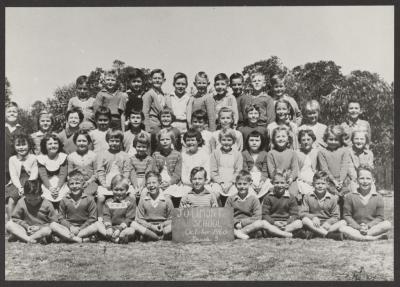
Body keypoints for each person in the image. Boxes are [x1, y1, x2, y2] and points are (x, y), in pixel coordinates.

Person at [339, 166, 391, 241]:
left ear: (373, 181)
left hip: (371, 228)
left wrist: (368, 226)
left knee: (387, 224)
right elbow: (347, 216)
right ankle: (372, 238)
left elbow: (380, 217)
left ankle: (359, 237)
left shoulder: (378, 197)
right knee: (342, 227)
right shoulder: (349, 196)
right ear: (357, 180)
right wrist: (358, 227)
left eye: (368, 178)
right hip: (355, 227)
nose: (365, 181)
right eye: (362, 178)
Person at [50, 170, 99, 243]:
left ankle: (67, 237)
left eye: (77, 183)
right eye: (71, 184)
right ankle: (80, 239)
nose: (74, 186)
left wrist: (80, 228)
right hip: (69, 228)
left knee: (96, 226)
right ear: (68, 185)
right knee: (53, 225)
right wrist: (71, 227)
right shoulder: (64, 199)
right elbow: (61, 218)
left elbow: (93, 218)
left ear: (83, 184)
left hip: (84, 228)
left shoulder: (89, 199)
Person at [96, 129, 133, 221]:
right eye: (112, 141)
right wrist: (104, 184)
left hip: (122, 182)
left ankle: (131, 217)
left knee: (132, 196)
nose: (114, 143)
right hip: (107, 183)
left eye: (117, 141)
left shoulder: (125, 155)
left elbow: (127, 170)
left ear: (121, 142)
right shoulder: (102, 154)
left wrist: (124, 182)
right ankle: (100, 218)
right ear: (107, 141)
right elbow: (100, 171)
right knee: (100, 198)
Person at [300, 171, 346, 239]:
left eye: (323, 183)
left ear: (327, 185)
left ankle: (317, 232)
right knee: (305, 220)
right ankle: (328, 235)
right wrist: (313, 217)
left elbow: (336, 216)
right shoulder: (308, 196)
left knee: (343, 222)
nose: (320, 186)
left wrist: (328, 222)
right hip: (313, 223)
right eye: (318, 183)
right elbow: (302, 213)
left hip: (327, 225)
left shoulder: (332, 198)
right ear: (313, 184)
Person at [131, 171, 174, 241]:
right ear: (146, 185)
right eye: (148, 183)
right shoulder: (143, 200)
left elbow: (171, 218)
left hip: (163, 228)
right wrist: (151, 226)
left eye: (154, 182)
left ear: (160, 184)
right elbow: (139, 219)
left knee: (176, 224)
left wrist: (163, 224)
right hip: (148, 228)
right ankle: (157, 237)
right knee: (133, 224)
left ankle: (153, 236)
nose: (151, 185)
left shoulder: (167, 200)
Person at [261, 170, 303, 238]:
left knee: (299, 223)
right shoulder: (268, 197)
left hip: (286, 223)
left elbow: (295, 214)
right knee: (263, 223)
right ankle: (285, 234)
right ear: (272, 183)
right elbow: (265, 214)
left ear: (286, 184)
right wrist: (274, 222)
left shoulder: (291, 197)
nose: (279, 185)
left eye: (282, 183)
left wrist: (287, 222)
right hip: (273, 223)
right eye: (277, 183)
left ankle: (275, 232)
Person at [6, 133, 38, 218]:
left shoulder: (33, 158)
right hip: (17, 183)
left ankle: (29, 219)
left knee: (28, 198)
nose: (21, 147)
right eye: (18, 145)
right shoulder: (12, 159)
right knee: (11, 199)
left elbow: (34, 174)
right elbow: (13, 175)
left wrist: (26, 187)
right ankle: (10, 221)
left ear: (29, 145)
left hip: (30, 182)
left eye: (24, 144)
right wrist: (20, 187)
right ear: (14, 146)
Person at [98, 175, 137, 243]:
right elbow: (106, 216)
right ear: (112, 189)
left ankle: (118, 237)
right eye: (116, 190)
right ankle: (116, 239)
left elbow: (129, 218)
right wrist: (109, 228)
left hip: (124, 227)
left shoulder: (129, 202)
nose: (118, 192)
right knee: (98, 225)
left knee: (132, 230)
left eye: (122, 190)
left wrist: (119, 229)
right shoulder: (108, 202)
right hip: (111, 227)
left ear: (126, 189)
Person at [210, 128, 243, 204]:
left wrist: (231, 183)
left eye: (229, 140)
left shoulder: (237, 154)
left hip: (232, 182)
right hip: (218, 182)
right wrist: (221, 183)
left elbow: (238, 171)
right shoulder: (215, 153)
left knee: (235, 194)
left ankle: (232, 213)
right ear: (220, 140)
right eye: (224, 140)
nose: (226, 142)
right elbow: (213, 171)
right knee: (214, 193)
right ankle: (218, 211)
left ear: (233, 141)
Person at [317, 125, 351, 197]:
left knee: (348, 197)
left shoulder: (344, 150)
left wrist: (341, 181)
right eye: (330, 139)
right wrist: (334, 181)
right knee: (333, 198)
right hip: (329, 181)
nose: (333, 142)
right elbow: (324, 169)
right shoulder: (322, 152)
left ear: (340, 140)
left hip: (343, 180)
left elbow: (344, 167)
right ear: (326, 139)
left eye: (336, 140)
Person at [267, 126, 300, 201]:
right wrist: (278, 180)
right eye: (278, 137)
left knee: (292, 193)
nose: (281, 139)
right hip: (276, 180)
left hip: (289, 180)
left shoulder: (292, 153)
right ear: (274, 140)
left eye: (283, 136)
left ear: (288, 139)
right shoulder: (271, 153)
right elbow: (271, 171)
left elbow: (295, 169)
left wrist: (291, 179)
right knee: (272, 193)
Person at [152, 129, 182, 204]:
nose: (165, 141)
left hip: (172, 182)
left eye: (167, 139)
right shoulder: (156, 155)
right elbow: (155, 171)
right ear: (159, 141)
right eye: (162, 139)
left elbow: (177, 174)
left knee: (167, 196)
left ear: (172, 140)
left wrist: (169, 183)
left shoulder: (177, 155)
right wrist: (159, 182)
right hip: (159, 181)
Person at [37, 133, 69, 204]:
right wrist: (50, 188)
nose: (53, 146)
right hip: (47, 184)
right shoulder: (41, 158)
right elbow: (43, 175)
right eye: (50, 144)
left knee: (63, 196)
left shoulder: (62, 157)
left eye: (55, 143)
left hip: (60, 184)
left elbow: (63, 174)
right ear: (45, 145)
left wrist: (58, 188)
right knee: (46, 197)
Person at [179, 129, 212, 197]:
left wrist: (200, 183)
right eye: (188, 140)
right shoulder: (183, 155)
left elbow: (207, 175)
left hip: (203, 184)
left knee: (211, 194)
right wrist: (192, 183)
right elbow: (183, 176)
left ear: (198, 141)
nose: (190, 142)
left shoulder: (204, 154)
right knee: (184, 195)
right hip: (188, 184)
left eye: (193, 140)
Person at [241, 131, 273, 200]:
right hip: (249, 177)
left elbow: (265, 171)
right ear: (247, 142)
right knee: (245, 186)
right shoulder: (244, 154)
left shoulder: (265, 154)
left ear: (261, 142)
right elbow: (245, 170)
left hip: (261, 177)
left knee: (269, 185)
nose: (254, 142)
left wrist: (261, 183)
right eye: (251, 140)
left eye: (257, 140)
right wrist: (251, 183)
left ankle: (263, 203)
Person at [67, 130, 98, 196]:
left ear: (88, 142)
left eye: (84, 141)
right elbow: (69, 173)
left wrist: (88, 182)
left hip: (90, 183)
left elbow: (96, 173)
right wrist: (76, 183)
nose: (81, 143)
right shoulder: (71, 156)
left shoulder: (93, 155)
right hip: (75, 184)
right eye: (79, 141)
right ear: (75, 142)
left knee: (88, 196)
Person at [129, 133, 155, 197]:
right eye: (139, 146)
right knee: (131, 194)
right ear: (135, 146)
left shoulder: (149, 159)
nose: (141, 149)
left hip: (146, 181)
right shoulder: (131, 159)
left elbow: (147, 174)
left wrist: (141, 187)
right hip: (134, 182)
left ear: (147, 147)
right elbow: (132, 174)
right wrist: (136, 187)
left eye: (144, 147)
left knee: (144, 193)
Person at [142, 69, 167, 134]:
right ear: (150, 80)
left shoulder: (163, 94)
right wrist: (147, 130)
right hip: (152, 126)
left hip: (161, 125)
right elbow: (145, 113)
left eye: (159, 78)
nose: (157, 80)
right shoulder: (149, 94)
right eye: (155, 78)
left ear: (163, 80)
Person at [5, 102, 24, 183]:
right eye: (9, 112)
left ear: (18, 114)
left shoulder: (23, 130)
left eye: (14, 112)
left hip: (18, 169)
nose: (12, 113)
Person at [296, 129, 319, 196]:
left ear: (313, 140)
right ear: (300, 142)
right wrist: (304, 180)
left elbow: (319, 168)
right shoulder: (297, 153)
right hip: (301, 177)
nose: (306, 142)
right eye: (303, 140)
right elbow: (296, 169)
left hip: (314, 176)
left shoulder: (317, 152)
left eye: (308, 139)